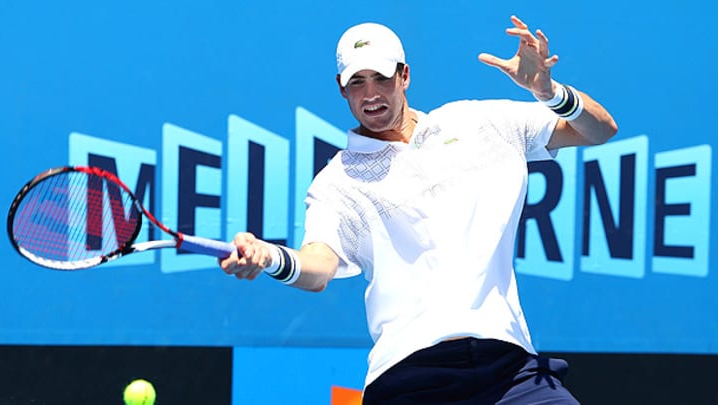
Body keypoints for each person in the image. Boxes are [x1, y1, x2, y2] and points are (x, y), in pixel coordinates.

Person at [220, 15, 617, 404]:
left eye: (381, 78)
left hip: (510, 370)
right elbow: (317, 268)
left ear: (404, 76)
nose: (370, 93)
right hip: (409, 378)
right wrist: (269, 255)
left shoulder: (482, 123)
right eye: (356, 82)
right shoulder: (336, 182)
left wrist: (549, 94)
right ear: (342, 90)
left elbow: (599, 130)